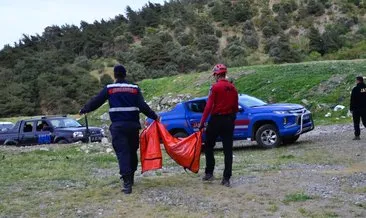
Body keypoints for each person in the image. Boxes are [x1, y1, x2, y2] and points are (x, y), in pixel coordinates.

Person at [79, 64, 159, 194]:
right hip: (133, 126)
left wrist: (85, 109)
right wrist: (154, 116)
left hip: (118, 127)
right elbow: (143, 106)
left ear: (115, 75)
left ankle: (127, 184)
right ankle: (131, 177)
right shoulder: (134, 88)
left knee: (123, 153)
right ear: (125, 74)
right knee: (132, 151)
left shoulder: (110, 89)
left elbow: (96, 101)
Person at [199, 64, 238, 187]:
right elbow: (236, 107)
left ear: (216, 75)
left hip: (216, 119)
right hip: (228, 120)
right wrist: (232, 119)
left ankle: (209, 172)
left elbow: (208, 106)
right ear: (225, 74)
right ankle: (226, 178)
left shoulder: (214, 88)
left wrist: (202, 122)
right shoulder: (233, 88)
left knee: (209, 146)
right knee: (228, 150)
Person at [350, 76, 366, 140]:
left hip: (356, 109)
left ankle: (357, 135)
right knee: (365, 121)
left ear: (358, 81)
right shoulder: (365, 88)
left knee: (356, 122)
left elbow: (352, 100)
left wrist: (351, 108)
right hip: (364, 108)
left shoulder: (355, 89)